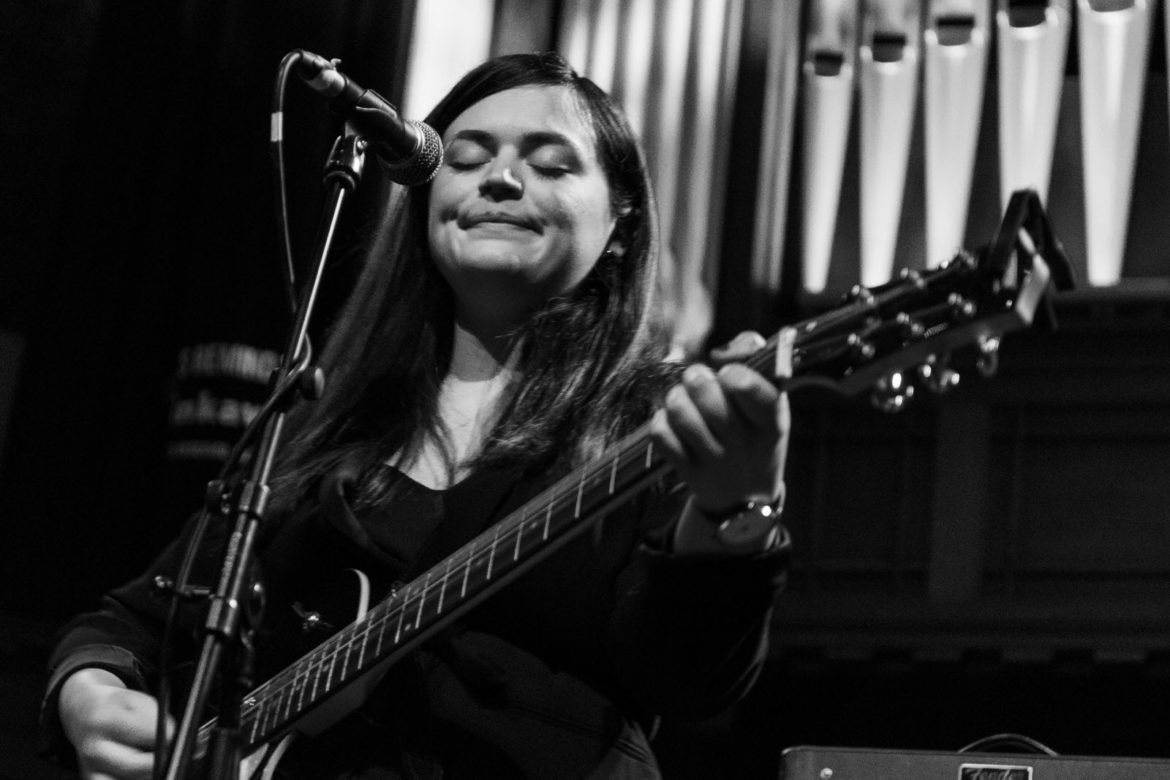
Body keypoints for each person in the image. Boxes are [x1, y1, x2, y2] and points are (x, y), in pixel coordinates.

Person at [41, 51, 792, 778]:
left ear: (622, 222)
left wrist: (733, 515)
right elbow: (131, 623)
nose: (499, 179)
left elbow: (692, 683)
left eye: (551, 163)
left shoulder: (661, 420)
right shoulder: (326, 431)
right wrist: (89, 692)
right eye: (464, 159)